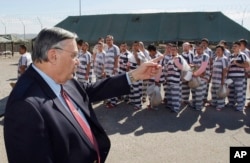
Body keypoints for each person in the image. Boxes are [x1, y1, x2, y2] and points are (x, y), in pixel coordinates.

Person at [4, 27, 163, 163]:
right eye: (73, 55)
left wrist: (134, 75)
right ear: (53, 56)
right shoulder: (24, 106)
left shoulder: (62, 78)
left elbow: (92, 89)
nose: (78, 61)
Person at [226, 41, 249, 111]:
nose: (234, 47)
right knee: (231, 91)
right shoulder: (230, 56)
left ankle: (240, 106)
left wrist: (237, 64)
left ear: (239, 47)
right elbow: (227, 66)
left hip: (239, 77)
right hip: (230, 77)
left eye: (235, 46)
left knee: (239, 92)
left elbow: (247, 65)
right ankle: (231, 103)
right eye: (233, 46)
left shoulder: (242, 55)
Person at [210, 45, 228, 111]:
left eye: (219, 50)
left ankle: (220, 105)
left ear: (223, 51)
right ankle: (214, 103)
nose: (217, 51)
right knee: (214, 92)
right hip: (214, 79)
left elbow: (225, 70)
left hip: (220, 79)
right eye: (217, 50)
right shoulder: (216, 58)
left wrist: (223, 80)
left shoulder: (224, 59)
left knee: (220, 93)